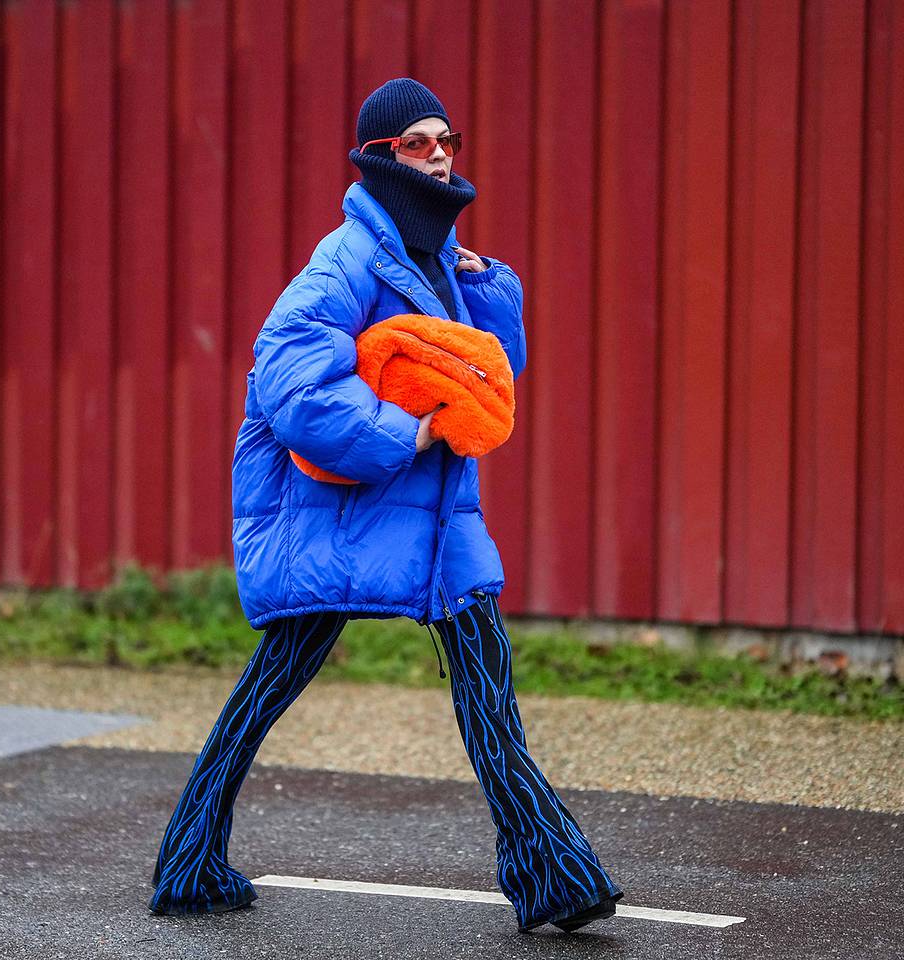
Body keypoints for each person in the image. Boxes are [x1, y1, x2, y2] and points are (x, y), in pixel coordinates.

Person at [148, 77, 622, 934]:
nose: (439, 154)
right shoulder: (345, 262)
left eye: (447, 140)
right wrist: (409, 435)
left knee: (488, 689)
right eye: (418, 143)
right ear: (377, 157)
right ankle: (189, 859)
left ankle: (552, 873)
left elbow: (486, 378)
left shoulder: (435, 257)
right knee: (272, 683)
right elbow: (291, 381)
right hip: (337, 508)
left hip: (433, 519)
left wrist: (483, 288)